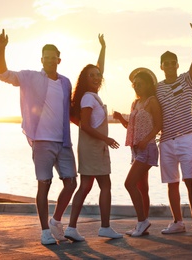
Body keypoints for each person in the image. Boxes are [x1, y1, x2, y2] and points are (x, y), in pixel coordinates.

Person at [0, 29, 77, 245]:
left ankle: (56, 220)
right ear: (42, 59)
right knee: (44, 184)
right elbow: (3, 74)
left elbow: (69, 111)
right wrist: (1, 48)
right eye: (46, 57)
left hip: (64, 142)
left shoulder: (66, 82)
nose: (51, 61)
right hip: (41, 142)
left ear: (59, 60)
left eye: (54, 58)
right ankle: (44, 231)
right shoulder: (30, 77)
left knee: (71, 183)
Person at [64, 34, 122, 241]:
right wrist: (106, 140)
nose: (97, 77)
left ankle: (71, 227)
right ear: (85, 79)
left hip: (92, 147)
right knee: (104, 185)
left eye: (98, 75)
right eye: (92, 75)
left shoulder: (91, 95)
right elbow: (86, 126)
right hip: (94, 147)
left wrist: (103, 48)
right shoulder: (88, 97)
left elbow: (100, 68)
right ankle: (104, 226)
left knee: (86, 186)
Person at [155, 14, 192, 235]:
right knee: (172, 183)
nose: (168, 66)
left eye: (171, 63)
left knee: (190, 181)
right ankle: (177, 222)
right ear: (161, 66)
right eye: (164, 63)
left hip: (185, 138)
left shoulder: (187, 80)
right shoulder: (157, 88)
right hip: (165, 141)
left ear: (177, 64)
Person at [113, 68, 162, 237]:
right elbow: (131, 127)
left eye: (140, 84)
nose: (136, 87)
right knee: (142, 188)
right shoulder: (135, 104)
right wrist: (120, 119)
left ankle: (142, 221)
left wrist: (146, 139)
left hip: (147, 149)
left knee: (129, 184)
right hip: (135, 150)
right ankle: (142, 223)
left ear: (148, 84)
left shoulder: (152, 101)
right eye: (134, 84)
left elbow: (158, 125)